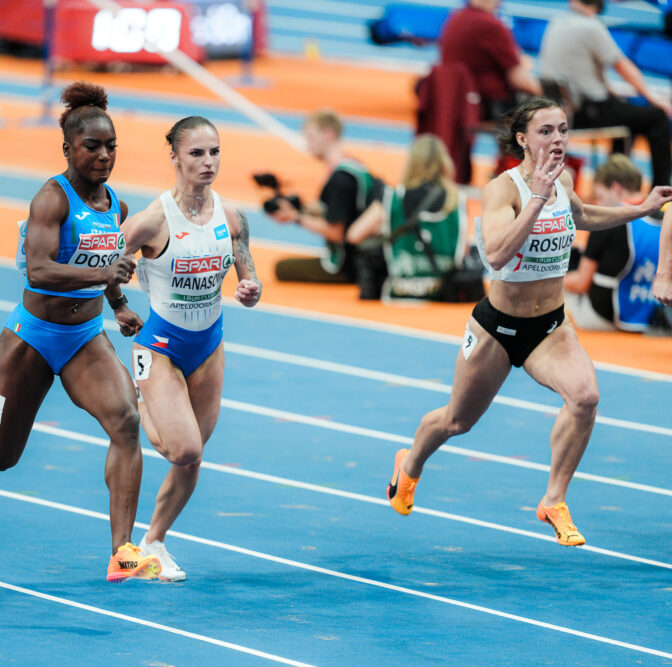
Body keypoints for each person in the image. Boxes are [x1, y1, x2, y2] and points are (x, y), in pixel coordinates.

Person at [385, 97, 672, 546]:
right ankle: (410, 465)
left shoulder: (567, 179)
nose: (557, 139)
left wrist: (639, 207)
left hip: (551, 327)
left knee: (585, 397)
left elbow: (584, 216)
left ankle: (554, 499)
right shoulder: (502, 189)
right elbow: (496, 253)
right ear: (522, 139)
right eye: (546, 131)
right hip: (497, 327)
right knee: (457, 421)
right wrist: (536, 198)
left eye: (562, 129)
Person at [0, 82, 160, 583]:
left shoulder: (118, 206)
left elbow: (106, 269)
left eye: (111, 146)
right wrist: (103, 277)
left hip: (84, 338)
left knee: (127, 423)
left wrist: (118, 306)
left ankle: (122, 552)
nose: (104, 155)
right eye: (93, 146)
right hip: (32, 337)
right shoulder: (51, 200)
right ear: (68, 148)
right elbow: (39, 271)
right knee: (1, 457)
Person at [120, 116, 262, 580]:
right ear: (175, 158)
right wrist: (119, 304)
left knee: (193, 455)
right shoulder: (151, 220)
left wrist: (251, 289)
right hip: (161, 344)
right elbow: (105, 268)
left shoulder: (233, 217)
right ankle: (141, 400)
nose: (208, 162)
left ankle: (154, 542)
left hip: (209, 345)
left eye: (214, 152)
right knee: (182, 449)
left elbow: (248, 274)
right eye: (197, 153)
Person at [539, 0, 672, 186]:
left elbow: (584, 73)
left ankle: (614, 183)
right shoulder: (591, 26)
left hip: (565, 111)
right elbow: (622, 65)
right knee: (657, 117)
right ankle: (661, 193)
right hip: (588, 111)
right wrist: (654, 99)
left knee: (629, 117)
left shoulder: (556, 22)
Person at [346, 134, 469, 301]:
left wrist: (389, 228)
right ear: (444, 162)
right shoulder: (456, 198)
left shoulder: (394, 197)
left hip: (400, 288)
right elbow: (463, 249)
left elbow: (354, 235)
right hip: (444, 290)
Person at [269, 109, 385, 285]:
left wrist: (296, 218)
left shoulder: (339, 179)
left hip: (346, 265)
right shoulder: (357, 166)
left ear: (328, 135)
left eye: (311, 138)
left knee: (281, 268)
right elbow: (347, 210)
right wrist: (301, 208)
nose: (307, 145)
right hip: (368, 255)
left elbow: (336, 232)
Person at [564, 154, 664, 331]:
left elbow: (581, 283)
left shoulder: (609, 220)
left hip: (604, 316)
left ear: (616, 189)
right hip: (651, 312)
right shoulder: (664, 220)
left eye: (600, 197)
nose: (598, 204)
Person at [439, 0, 542, 122]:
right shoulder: (491, 25)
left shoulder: (454, 20)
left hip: (456, 103)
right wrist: (542, 93)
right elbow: (519, 79)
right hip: (489, 106)